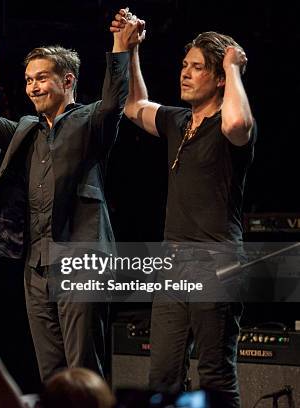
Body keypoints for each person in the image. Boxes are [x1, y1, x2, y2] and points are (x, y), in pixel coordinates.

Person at [0, 18, 143, 381]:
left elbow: (113, 102)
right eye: (29, 80)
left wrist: (121, 46)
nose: (33, 87)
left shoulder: (90, 120)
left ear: (67, 80)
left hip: (82, 259)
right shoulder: (26, 130)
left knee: (83, 368)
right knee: (51, 372)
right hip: (36, 265)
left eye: (41, 78)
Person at [111, 9, 256, 407]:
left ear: (220, 79)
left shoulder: (229, 123)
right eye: (184, 65)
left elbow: (237, 125)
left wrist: (234, 68)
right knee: (163, 377)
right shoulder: (178, 121)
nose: (185, 74)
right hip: (172, 262)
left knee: (215, 375)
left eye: (197, 68)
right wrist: (131, 49)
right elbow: (133, 105)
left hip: (217, 261)